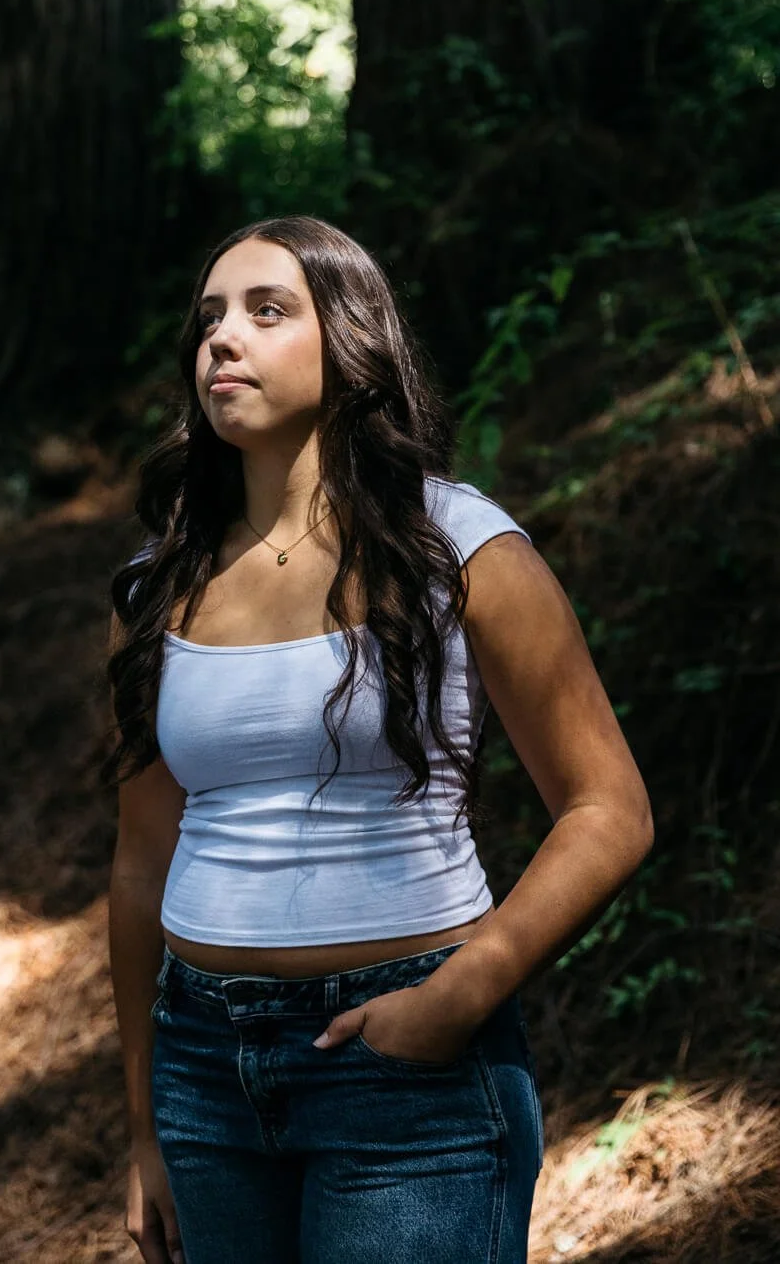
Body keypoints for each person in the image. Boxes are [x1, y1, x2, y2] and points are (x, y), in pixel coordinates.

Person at [105, 215, 654, 1264]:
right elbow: (139, 863)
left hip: (407, 1069)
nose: (223, 337)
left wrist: (465, 991)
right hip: (205, 1072)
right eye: (210, 317)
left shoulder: (459, 548)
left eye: (267, 311)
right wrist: (143, 1126)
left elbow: (608, 809)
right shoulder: (153, 587)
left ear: (350, 348)